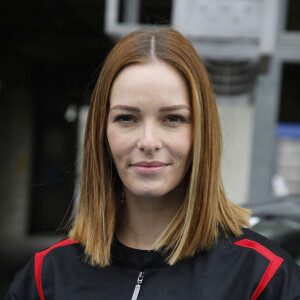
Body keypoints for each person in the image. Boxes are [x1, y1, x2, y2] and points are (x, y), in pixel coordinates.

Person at [6, 28, 300, 300]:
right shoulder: (46, 278)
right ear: (101, 132)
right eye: (126, 118)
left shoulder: (265, 277)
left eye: (173, 118)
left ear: (201, 133)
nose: (148, 142)